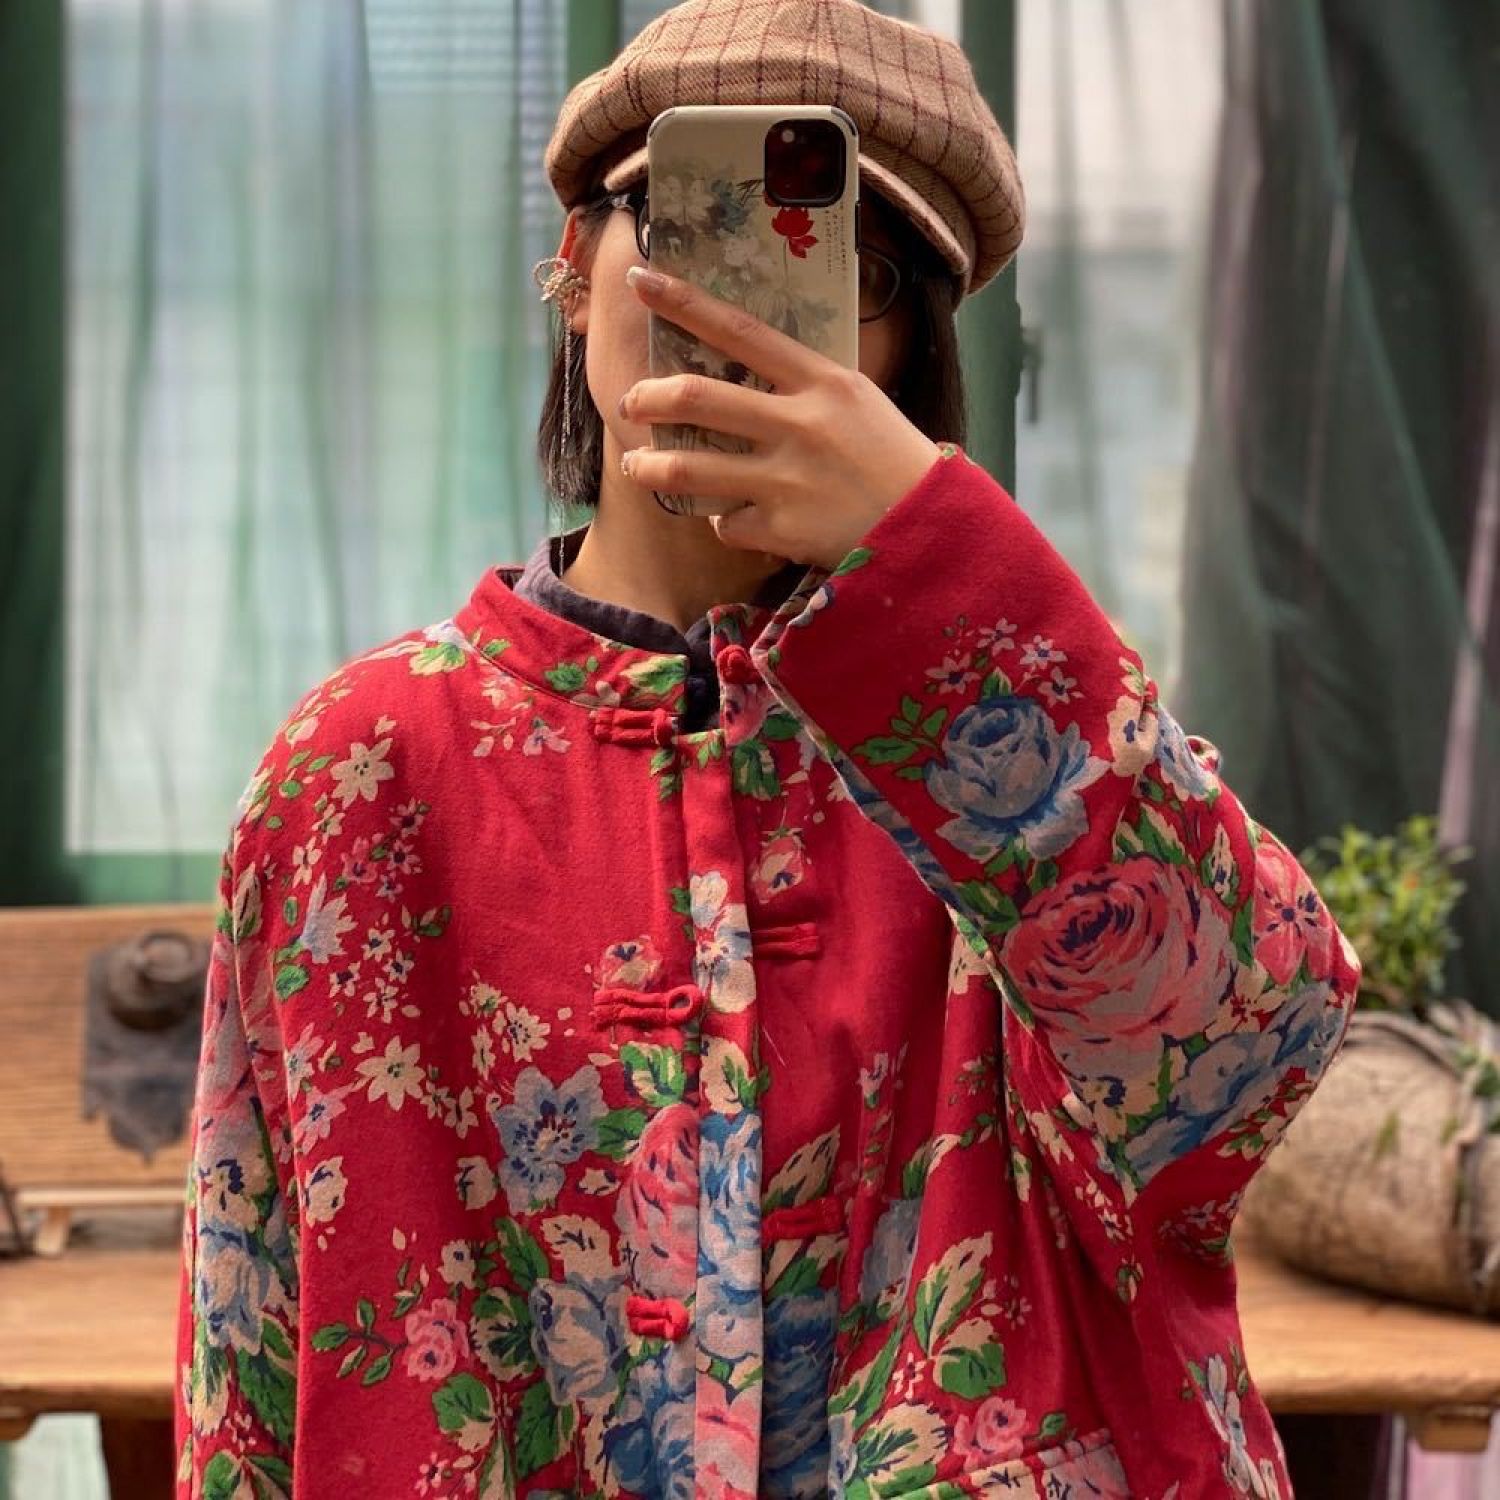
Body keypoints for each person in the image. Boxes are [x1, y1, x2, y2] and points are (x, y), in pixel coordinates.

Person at [172, 1, 1361, 1496]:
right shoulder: (364, 771)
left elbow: (1249, 1053)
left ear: (908, 350)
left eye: (841, 268)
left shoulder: (1015, 741)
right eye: (688, 221)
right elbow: (249, 1320)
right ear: (573, 269)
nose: (741, 302)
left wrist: (933, 559)